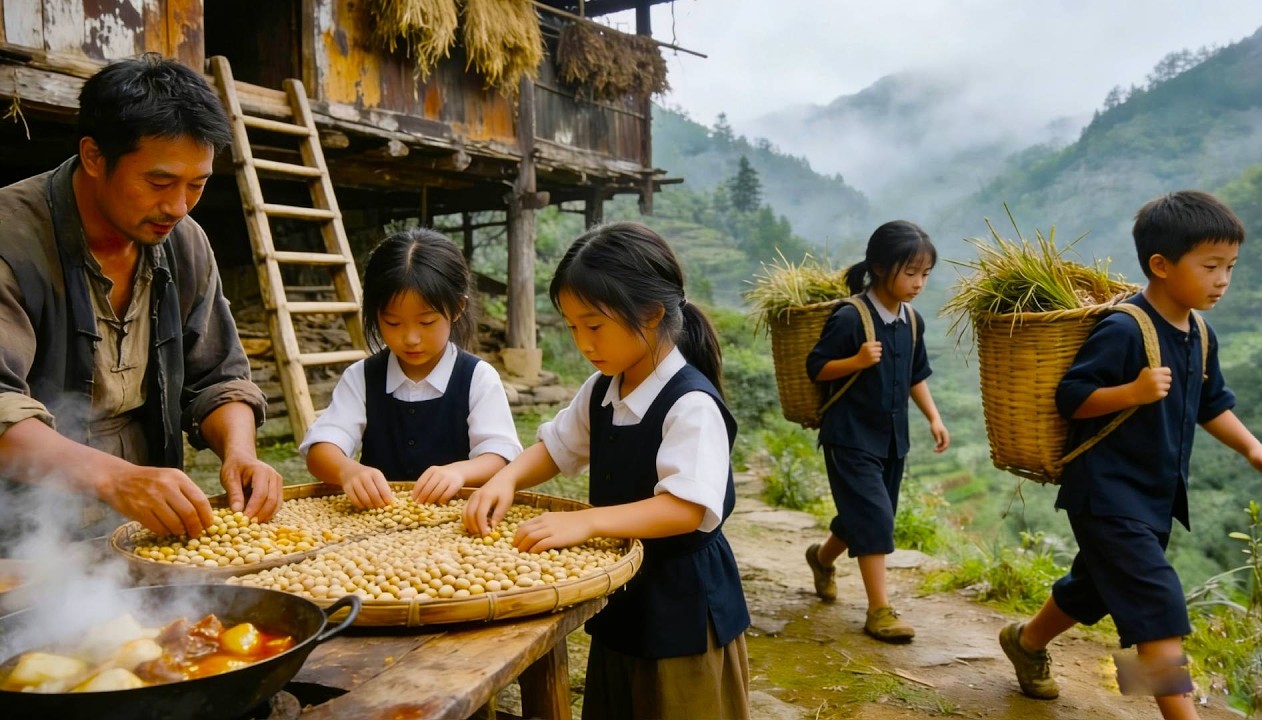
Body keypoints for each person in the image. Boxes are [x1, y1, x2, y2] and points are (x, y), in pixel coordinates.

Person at [998, 191, 1262, 720]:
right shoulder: (1126, 328)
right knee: (1154, 609)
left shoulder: (1199, 333)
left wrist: (1253, 448)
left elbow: (1209, 403)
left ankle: (1026, 642)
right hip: (1104, 493)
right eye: (1211, 266)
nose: (1224, 280)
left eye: (1230, 267)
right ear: (1161, 265)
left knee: (1097, 589)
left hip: (1153, 497)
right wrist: (1132, 391)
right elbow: (1072, 397)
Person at [464, 221, 751, 719]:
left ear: (652, 313)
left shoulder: (691, 404)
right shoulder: (603, 389)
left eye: (594, 326)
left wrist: (588, 520)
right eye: (573, 327)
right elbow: (557, 448)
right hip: (625, 600)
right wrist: (505, 478)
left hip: (682, 607)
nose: (583, 342)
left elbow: (685, 507)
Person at [0, 53, 281, 542]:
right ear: (93, 157)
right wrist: (115, 478)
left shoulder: (185, 243)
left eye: (197, 185)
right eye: (159, 182)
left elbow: (218, 377)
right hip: (21, 535)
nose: (177, 207)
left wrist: (241, 452)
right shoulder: (12, 240)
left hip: (143, 526)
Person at [803, 220, 950, 643]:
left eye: (925, 274)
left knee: (863, 516)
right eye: (911, 273)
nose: (919, 283)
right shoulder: (851, 317)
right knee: (876, 517)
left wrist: (934, 418)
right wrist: (856, 361)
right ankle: (879, 610)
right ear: (881, 268)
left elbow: (914, 375)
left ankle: (822, 557)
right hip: (848, 435)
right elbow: (817, 367)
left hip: (891, 438)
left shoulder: (912, 321)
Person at [299, 228, 521, 508]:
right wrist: (348, 471)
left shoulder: (478, 378)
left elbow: (500, 455)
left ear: (457, 308)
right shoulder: (362, 377)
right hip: (374, 530)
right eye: (392, 323)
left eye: (426, 322)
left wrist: (459, 472)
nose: (411, 338)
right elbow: (321, 449)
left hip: (457, 526)